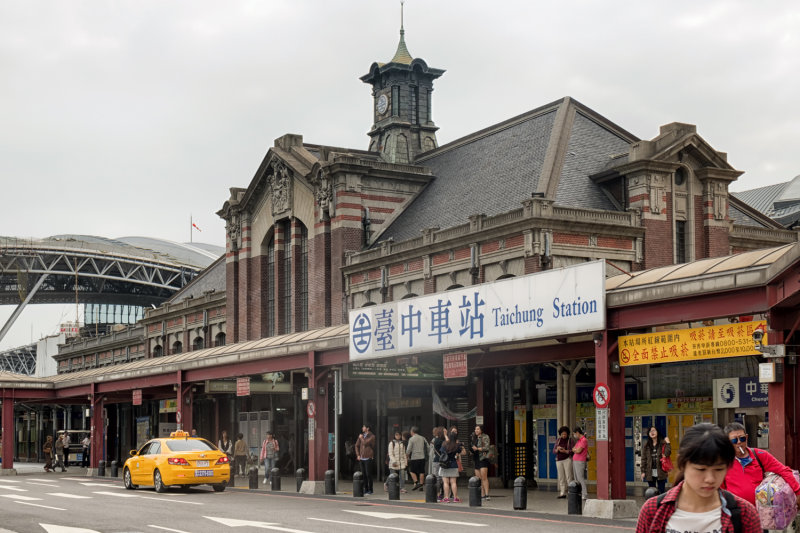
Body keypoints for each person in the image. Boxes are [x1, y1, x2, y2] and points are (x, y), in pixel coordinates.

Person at [635, 423, 762, 533]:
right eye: (701, 469)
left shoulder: (744, 513)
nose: (710, 479)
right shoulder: (653, 510)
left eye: (719, 469)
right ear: (683, 464)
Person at [722, 421, 800, 506]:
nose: (739, 442)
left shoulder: (759, 455)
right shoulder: (723, 461)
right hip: (735, 511)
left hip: (760, 511)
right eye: (734, 440)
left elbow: (784, 471)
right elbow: (720, 489)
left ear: (747, 437)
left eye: (742, 438)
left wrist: (797, 491)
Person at [641, 426, 671, 495]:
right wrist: (643, 471)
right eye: (650, 431)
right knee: (652, 492)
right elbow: (643, 459)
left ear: (657, 432)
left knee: (661, 491)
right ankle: (654, 504)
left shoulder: (662, 443)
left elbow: (667, 453)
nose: (652, 432)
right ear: (648, 434)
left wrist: (668, 443)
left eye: (654, 430)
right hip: (650, 471)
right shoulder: (646, 445)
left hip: (660, 470)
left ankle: (661, 505)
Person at [438, 429, 464, 503]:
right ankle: (455, 498)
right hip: (453, 464)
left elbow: (441, 452)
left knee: (446, 482)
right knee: (453, 482)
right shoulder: (457, 445)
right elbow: (460, 452)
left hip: (445, 465)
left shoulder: (444, 444)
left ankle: (446, 498)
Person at [553, 425, 574, 499]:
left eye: (565, 434)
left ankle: (571, 492)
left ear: (567, 434)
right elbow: (554, 451)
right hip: (559, 460)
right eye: (562, 434)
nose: (564, 435)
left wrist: (565, 451)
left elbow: (572, 451)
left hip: (567, 459)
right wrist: (557, 449)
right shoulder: (558, 440)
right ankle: (562, 492)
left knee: (569, 476)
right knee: (561, 477)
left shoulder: (570, 440)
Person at [471, 424, 491, 501]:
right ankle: (482, 495)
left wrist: (478, 449)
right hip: (476, 459)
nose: (476, 431)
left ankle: (487, 494)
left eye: (478, 429)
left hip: (483, 458)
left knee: (484, 478)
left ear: (481, 430)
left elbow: (487, 447)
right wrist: (471, 450)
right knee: (478, 478)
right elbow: (472, 446)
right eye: (475, 429)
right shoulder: (473, 437)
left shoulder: (485, 437)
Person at [355, 424, 376, 495]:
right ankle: (365, 489)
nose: (362, 428)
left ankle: (370, 490)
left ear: (368, 428)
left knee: (368, 474)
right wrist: (358, 455)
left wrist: (361, 438)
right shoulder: (362, 436)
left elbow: (365, 443)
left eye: (364, 427)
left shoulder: (372, 436)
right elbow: (356, 445)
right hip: (362, 458)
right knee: (363, 474)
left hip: (368, 457)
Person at [406, 426, 427, 490]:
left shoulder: (411, 439)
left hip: (414, 458)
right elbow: (428, 447)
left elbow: (409, 449)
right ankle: (421, 485)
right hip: (422, 457)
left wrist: (407, 455)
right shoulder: (423, 438)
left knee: (411, 471)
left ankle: (416, 482)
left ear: (412, 431)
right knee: (421, 471)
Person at [571, 427, 589, 500]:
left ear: (578, 432)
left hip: (580, 461)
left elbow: (578, 451)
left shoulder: (584, 440)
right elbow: (573, 449)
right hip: (575, 460)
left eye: (574, 434)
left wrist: (575, 450)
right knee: (576, 478)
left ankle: (584, 494)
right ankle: (579, 492)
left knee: (580, 478)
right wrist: (575, 450)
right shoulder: (579, 441)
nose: (574, 435)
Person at [431, 427, 446, 500]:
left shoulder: (436, 440)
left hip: (436, 460)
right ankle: (440, 494)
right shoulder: (441, 441)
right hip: (441, 461)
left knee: (438, 478)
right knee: (441, 478)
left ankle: (438, 494)